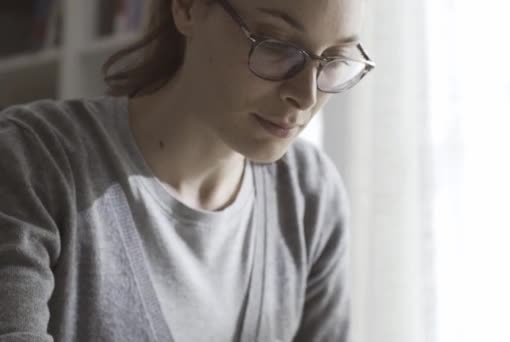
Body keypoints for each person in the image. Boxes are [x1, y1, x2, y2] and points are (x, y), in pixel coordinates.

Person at [0, 0, 374, 340]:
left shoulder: (310, 196)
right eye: (276, 45)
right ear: (187, 8)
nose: (306, 95)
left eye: (336, 58)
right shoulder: (31, 160)